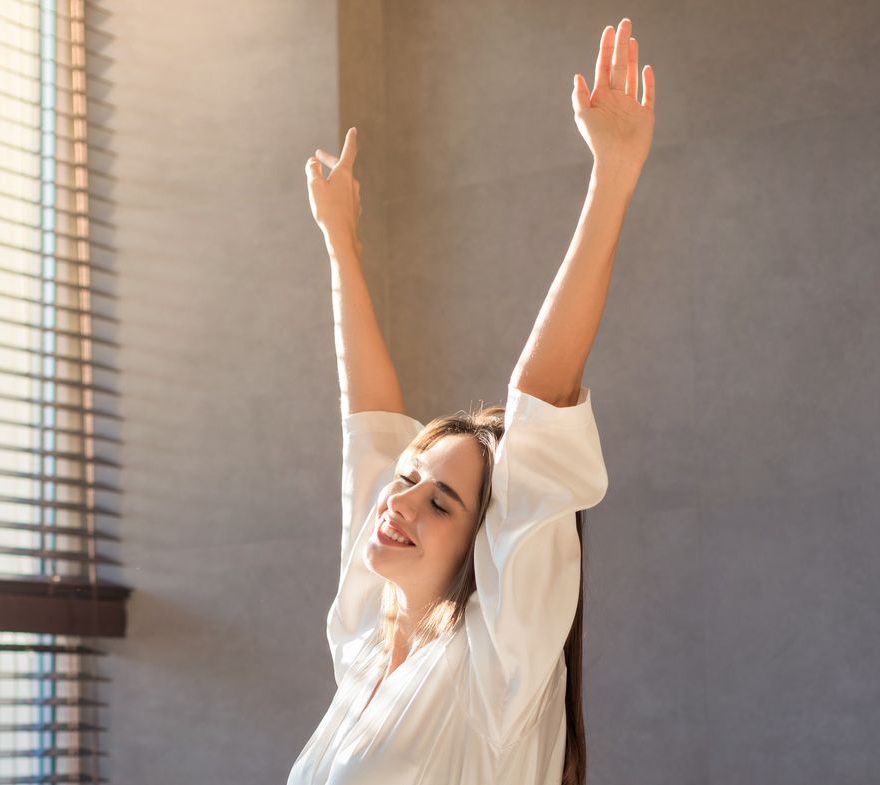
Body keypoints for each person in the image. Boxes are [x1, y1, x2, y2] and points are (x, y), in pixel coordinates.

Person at [290, 17, 655, 785]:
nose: (403, 498)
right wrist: (340, 245)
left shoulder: (498, 667)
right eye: (412, 478)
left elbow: (542, 397)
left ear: (486, 554)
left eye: (445, 502)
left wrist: (612, 176)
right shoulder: (365, 639)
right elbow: (373, 429)